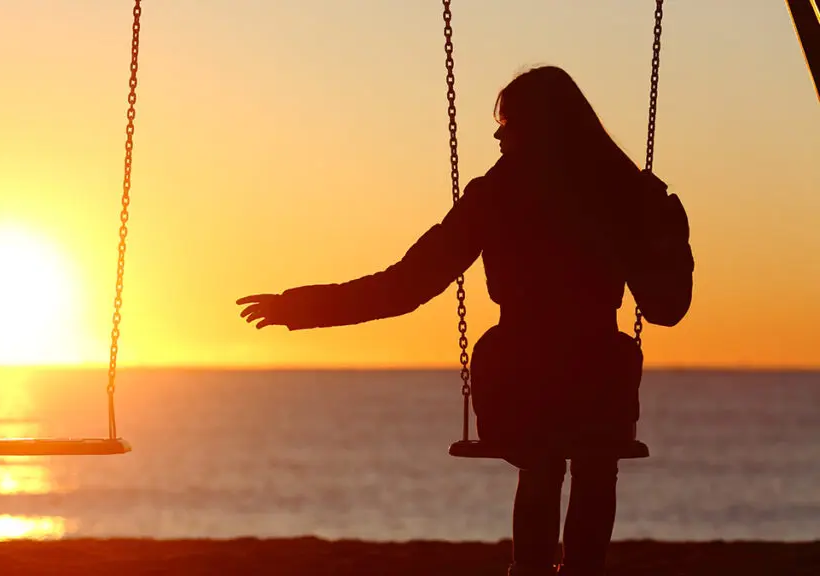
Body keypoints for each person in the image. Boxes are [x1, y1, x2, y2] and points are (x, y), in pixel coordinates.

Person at [236, 65, 694, 576]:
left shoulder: (497, 196)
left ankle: (532, 569)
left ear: (538, 127)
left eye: (508, 122)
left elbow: (405, 286)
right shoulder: (622, 192)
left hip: (522, 381)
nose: (498, 134)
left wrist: (300, 308)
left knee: (544, 459)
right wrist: (668, 233)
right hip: (596, 386)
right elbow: (667, 308)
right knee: (594, 458)